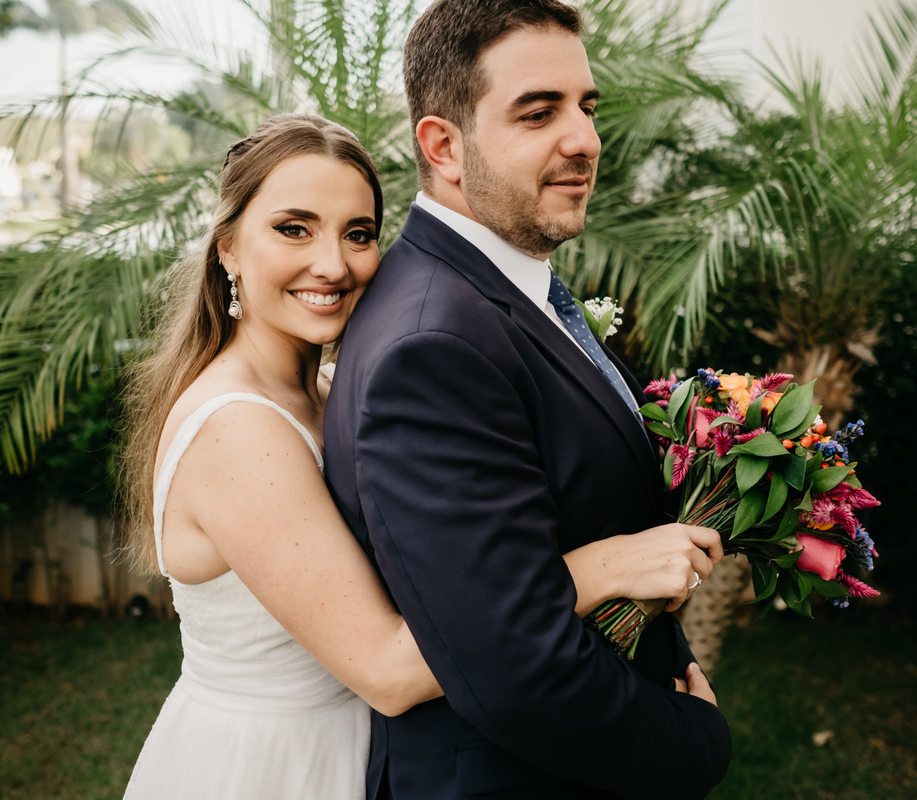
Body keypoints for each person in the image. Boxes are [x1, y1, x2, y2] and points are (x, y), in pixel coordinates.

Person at [120, 113, 721, 799]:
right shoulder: (237, 429)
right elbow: (388, 668)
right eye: (294, 229)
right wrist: (602, 568)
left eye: (359, 234)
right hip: (279, 764)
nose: (333, 264)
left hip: (367, 749)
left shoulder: (328, 387)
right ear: (228, 247)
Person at [323, 2, 733, 799]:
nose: (584, 140)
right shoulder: (432, 349)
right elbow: (517, 666)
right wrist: (695, 742)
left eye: (587, 107)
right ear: (443, 146)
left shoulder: (498, 287)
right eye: (539, 113)